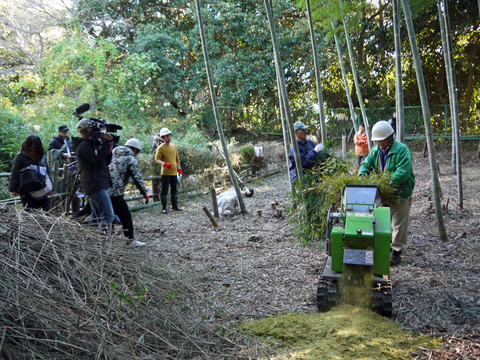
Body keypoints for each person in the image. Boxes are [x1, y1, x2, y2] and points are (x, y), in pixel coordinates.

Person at [358, 120, 415, 266]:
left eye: (381, 140)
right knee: (382, 220)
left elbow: (402, 174)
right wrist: (362, 176)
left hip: (400, 192)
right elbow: (366, 164)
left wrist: (383, 182)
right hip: (382, 192)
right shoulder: (376, 151)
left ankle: (396, 252)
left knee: (398, 223)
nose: (378, 143)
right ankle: (383, 245)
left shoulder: (402, 150)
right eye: (376, 141)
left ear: (390, 137)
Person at [72, 119, 115, 235]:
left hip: (96, 184)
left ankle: (92, 243)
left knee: (96, 215)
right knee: (108, 215)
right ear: (89, 131)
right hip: (95, 185)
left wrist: (108, 149)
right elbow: (97, 163)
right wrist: (105, 145)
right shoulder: (84, 146)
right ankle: (102, 243)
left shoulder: (90, 145)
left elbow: (105, 163)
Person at [108, 139, 149, 247]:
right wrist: (144, 192)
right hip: (116, 192)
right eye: (138, 152)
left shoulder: (112, 153)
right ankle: (130, 240)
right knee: (125, 216)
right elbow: (137, 178)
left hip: (103, 189)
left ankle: (73, 222)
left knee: (97, 212)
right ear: (135, 149)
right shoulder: (130, 159)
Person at [9, 135, 53, 211]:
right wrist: (13, 188)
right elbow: (14, 173)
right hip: (27, 191)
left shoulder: (42, 157)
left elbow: (47, 173)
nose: (31, 149)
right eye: (30, 147)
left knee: (45, 213)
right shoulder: (20, 157)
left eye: (34, 148)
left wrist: (51, 188)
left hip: (42, 190)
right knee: (30, 215)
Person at [155, 128, 183, 213]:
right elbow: (157, 159)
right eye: (167, 136)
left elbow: (177, 159)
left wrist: (179, 168)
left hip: (174, 172)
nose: (169, 137)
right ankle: (164, 208)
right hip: (165, 173)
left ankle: (175, 206)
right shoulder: (160, 148)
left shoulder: (174, 146)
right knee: (164, 190)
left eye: (170, 135)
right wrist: (164, 164)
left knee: (174, 190)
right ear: (163, 138)